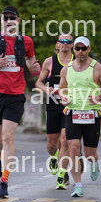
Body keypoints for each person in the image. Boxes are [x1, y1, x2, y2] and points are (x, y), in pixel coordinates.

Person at [0, 6, 40, 198]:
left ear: (18, 20)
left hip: (16, 95)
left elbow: (31, 62)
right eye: (5, 18)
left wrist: (35, 68)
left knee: (8, 137)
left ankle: (4, 180)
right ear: (1, 20)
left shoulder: (26, 41)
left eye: (12, 17)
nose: (9, 20)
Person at [57, 37, 101, 197]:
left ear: (89, 49)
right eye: (78, 48)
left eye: (83, 48)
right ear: (74, 50)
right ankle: (78, 185)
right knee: (73, 148)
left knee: (89, 153)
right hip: (73, 112)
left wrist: (100, 97)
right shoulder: (66, 69)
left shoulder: (98, 68)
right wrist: (64, 98)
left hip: (91, 114)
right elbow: (62, 89)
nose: (80, 52)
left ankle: (94, 162)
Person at [35, 34, 73, 190]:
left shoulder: (76, 62)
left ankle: (62, 175)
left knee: (65, 140)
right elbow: (38, 82)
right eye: (62, 41)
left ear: (72, 45)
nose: (65, 44)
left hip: (69, 106)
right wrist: (46, 89)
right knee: (52, 145)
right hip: (53, 105)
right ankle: (53, 157)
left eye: (68, 42)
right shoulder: (49, 61)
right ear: (57, 44)